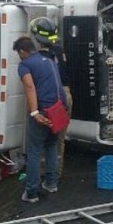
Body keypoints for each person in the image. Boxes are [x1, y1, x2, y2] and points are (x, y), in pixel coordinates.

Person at [13, 36, 67, 202]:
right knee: (51, 145)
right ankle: (51, 183)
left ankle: (31, 192)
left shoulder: (25, 64)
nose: (19, 56)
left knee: (34, 151)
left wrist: (35, 112)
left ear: (23, 51)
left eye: (18, 53)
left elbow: (30, 86)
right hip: (57, 109)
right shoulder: (50, 60)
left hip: (43, 110)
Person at [29, 17, 73, 177]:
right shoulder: (59, 51)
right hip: (65, 95)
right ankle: (54, 175)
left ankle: (41, 174)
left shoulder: (40, 57)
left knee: (41, 140)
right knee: (57, 140)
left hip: (50, 98)